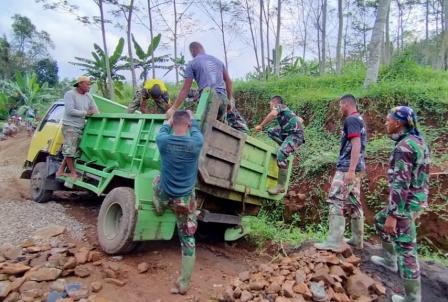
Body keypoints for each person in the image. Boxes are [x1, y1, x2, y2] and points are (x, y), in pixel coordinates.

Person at [370, 106, 429, 302]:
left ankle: (412, 298)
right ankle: (389, 260)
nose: (385, 123)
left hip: (404, 205)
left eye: (388, 119)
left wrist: (393, 215)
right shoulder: (418, 141)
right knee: (379, 220)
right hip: (414, 201)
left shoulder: (404, 147)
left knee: (406, 250)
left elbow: (401, 184)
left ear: (398, 122)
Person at [152, 110, 204, 295]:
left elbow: (164, 128)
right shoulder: (196, 143)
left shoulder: (163, 141)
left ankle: (159, 206)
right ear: (188, 124)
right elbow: (196, 128)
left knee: (156, 180)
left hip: (166, 192)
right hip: (184, 199)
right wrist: (192, 117)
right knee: (188, 240)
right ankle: (183, 284)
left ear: (174, 122)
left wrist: (169, 118)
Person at [314, 94, 367, 251]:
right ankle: (357, 240)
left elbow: (356, 144)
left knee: (336, 199)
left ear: (345, 104)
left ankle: (334, 241)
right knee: (354, 202)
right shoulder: (359, 120)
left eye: (340, 105)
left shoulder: (351, 120)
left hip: (347, 168)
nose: (339, 108)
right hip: (357, 168)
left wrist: (350, 170)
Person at [167, 41, 249, 133]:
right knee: (217, 128)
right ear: (202, 49)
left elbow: (185, 89)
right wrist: (228, 100)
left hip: (208, 99)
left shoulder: (192, 63)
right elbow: (229, 82)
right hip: (222, 98)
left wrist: (173, 108)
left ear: (193, 50)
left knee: (203, 129)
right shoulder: (218, 61)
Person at [255, 96, 304, 194]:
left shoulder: (279, 106)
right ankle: (286, 147)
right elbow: (301, 119)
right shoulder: (286, 111)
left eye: (270, 103)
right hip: (286, 134)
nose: (270, 105)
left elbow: (273, 114)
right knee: (270, 131)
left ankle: (281, 186)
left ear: (274, 102)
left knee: (281, 153)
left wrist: (261, 125)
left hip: (295, 136)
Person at [56, 76, 99, 180]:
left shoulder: (88, 96)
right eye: (87, 84)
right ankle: (73, 173)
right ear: (80, 84)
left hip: (81, 126)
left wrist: (98, 115)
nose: (89, 86)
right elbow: (70, 111)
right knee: (70, 150)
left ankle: (60, 170)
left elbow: (95, 110)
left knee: (72, 150)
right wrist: (86, 113)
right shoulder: (70, 94)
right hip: (70, 125)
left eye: (90, 84)